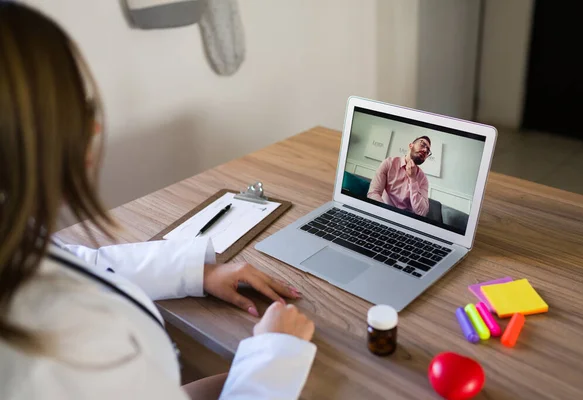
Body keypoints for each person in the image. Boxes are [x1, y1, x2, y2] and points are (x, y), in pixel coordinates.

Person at [0, 3, 316, 400]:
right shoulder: (57, 350)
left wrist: (197, 273)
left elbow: (78, 265)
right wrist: (275, 355)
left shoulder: (13, 245)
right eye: (78, 110)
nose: (94, 127)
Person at [367, 136, 431, 216]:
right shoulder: (389, 163)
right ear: (411, 145)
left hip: (406, 220)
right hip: (383, 212)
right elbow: (373, 193)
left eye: (428, 151)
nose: (425, 150)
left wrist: (413, 179)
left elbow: (422, 213)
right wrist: (386, 214)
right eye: (422, 144)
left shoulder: (423, 179)